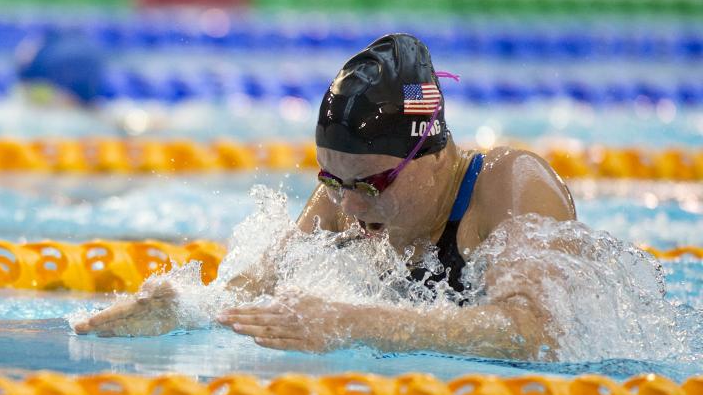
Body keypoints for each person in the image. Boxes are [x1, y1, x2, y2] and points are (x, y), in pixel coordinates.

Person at [73, 33, 577, 360]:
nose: (349, 207)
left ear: (432, 152)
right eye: (331, 182)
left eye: (371, 184)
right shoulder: (342, 195)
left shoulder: (511, 188)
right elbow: (261, 286)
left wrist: (355, 322)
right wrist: (187, 310)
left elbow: (536, 334)